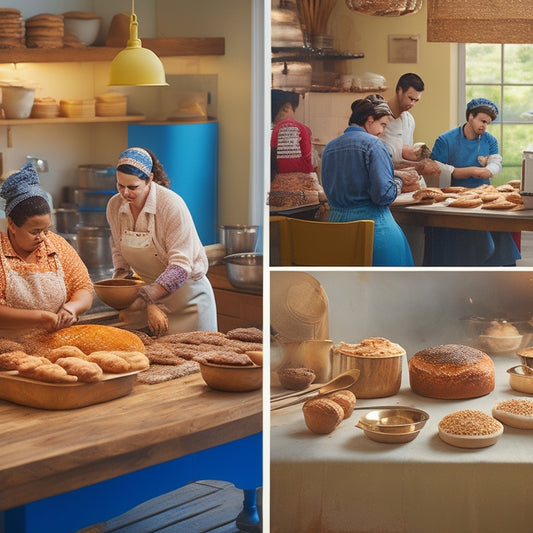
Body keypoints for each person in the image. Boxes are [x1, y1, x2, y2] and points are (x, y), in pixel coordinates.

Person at [106, 147, 217, 336]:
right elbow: (119, 251)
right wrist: (122, 291)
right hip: (153, 300)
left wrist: (147, 297)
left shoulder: (171, 205)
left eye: (133, 187)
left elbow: (181, 266)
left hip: (189, 300)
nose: (125, 193)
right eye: (120, 186)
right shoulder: (115, 206)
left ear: (149, 179)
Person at [321, 95, 415, 266]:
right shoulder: (374, 145)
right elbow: (384, 195)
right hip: (375, 233)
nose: (382, 131)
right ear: (370, 120)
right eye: (383, 125)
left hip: (336, 234)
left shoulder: (329, 148)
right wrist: (399, 182)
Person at [426, 97, 521, 266]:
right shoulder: (445, 140)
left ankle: (499, 276)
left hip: (484, 198)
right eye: (482, 121)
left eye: (488, 123)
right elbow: (434, 172)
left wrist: (488, 169)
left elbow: (494, 164)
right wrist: (470, 171)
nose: (484, 126)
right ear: (470, 117)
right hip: (453, 202)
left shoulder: (489, 140)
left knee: (500, 229)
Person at [0, 162, 93, 334]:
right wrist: (40, 318)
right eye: (35, 231)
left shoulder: (56, 245)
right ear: (11, 224)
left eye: (46, 229)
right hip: (8, 346)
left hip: (55, 341)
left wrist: (72, 308)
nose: (42, 237)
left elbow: (84, 287)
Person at [269, 89, 327, 216]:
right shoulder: (296, 133)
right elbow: (311, 173)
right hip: (299, 209)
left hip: (270, 208)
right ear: (286, 107)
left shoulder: (261, 134)